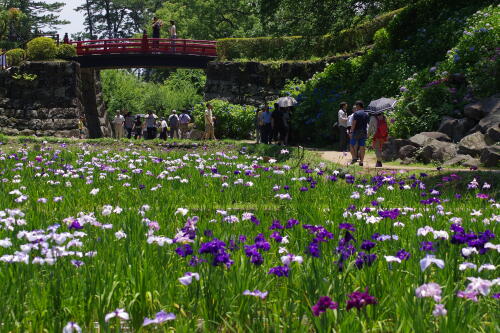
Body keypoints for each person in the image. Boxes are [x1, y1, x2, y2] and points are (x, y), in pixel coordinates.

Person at [350, 101, 370, 166]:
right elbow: (368, 124)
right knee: (362, 147)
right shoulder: (366, 114)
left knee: (351, 145)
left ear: (358, 106)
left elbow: (354, 123)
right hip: (364, 132)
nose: (355, 107)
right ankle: (361, 162)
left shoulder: (356, 113)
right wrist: (368, 133)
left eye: (356, 106)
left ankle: (354, 158)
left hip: (356, 131)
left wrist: (351, 131)